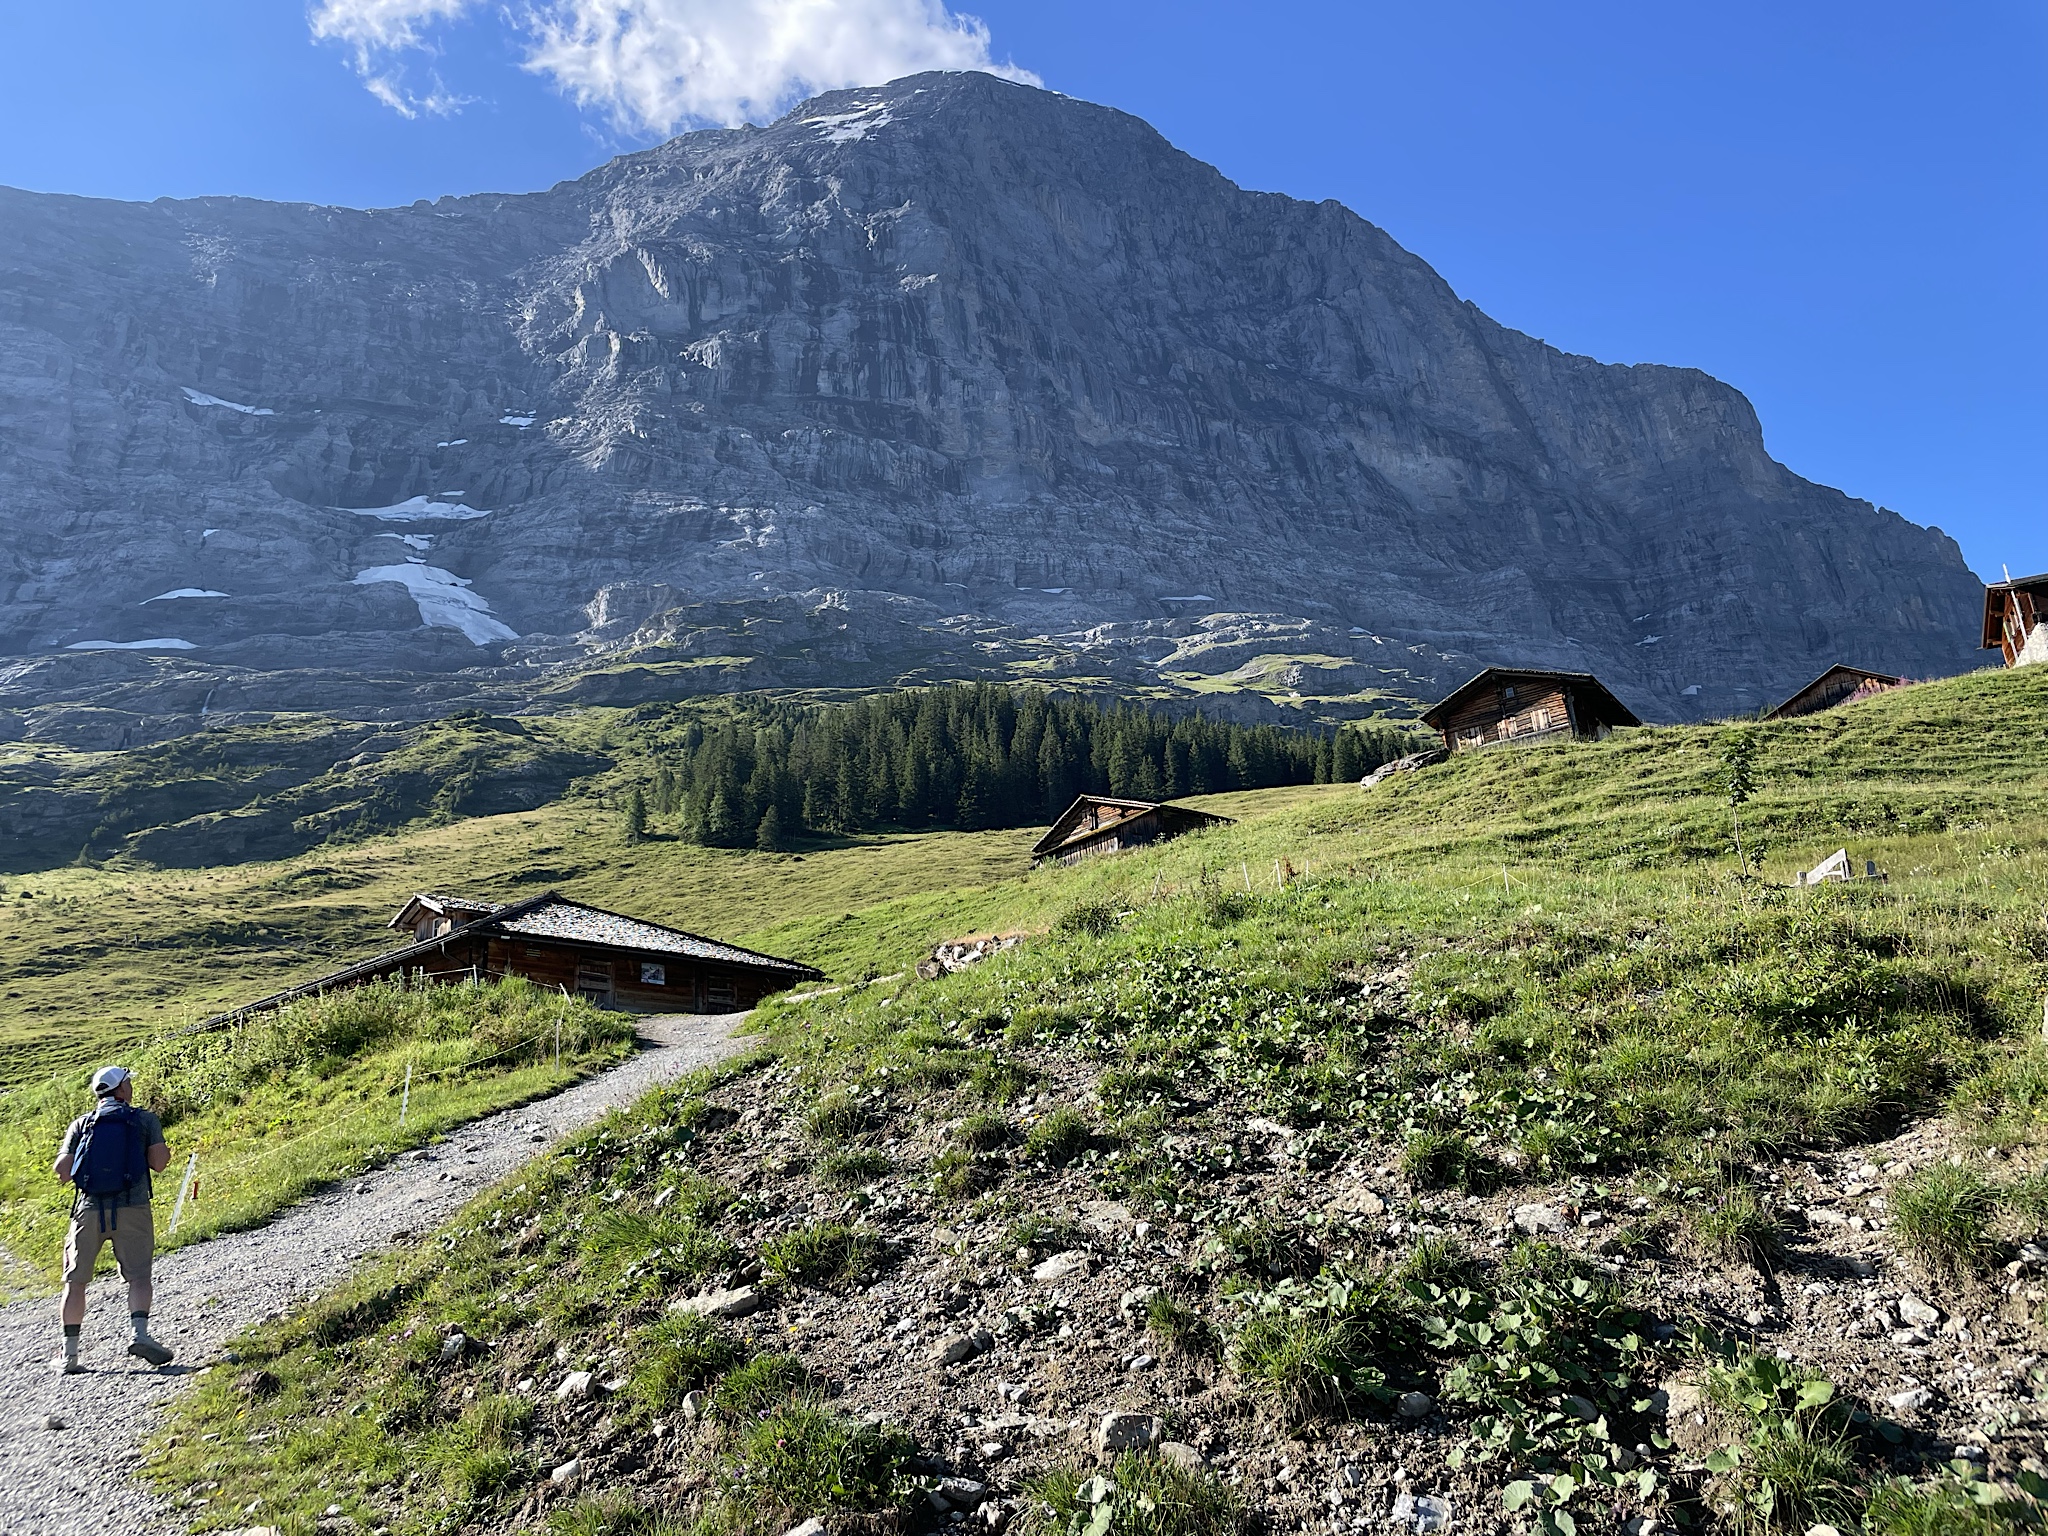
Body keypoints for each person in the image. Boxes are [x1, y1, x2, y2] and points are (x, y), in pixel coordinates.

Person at [51, 1065, 174, 1372]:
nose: (131, 1086)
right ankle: (140, 1334)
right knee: (139, 1276)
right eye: (128, 1082)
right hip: (133, 1207)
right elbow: (159, 1163)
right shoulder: (144, 1119)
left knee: (75, 1282)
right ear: (120, 1089)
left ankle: (70, 1356)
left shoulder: (82, 1124)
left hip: (88, 1210)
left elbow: (62, 1172)